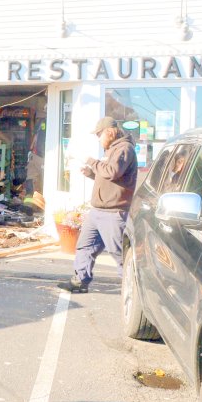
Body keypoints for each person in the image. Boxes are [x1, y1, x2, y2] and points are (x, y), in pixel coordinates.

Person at [67, 116, 137, 293]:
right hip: (97, 211)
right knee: (85, 246)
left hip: (114, 213)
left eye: (99, 135)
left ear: (110, 132)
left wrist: (90, 161)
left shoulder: (124, 149)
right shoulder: (112, 150)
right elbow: (110, 176)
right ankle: (80, 281)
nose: (98, 139)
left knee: (119, 253)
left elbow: (113, 171)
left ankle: (133, 291)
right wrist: (91, 173)